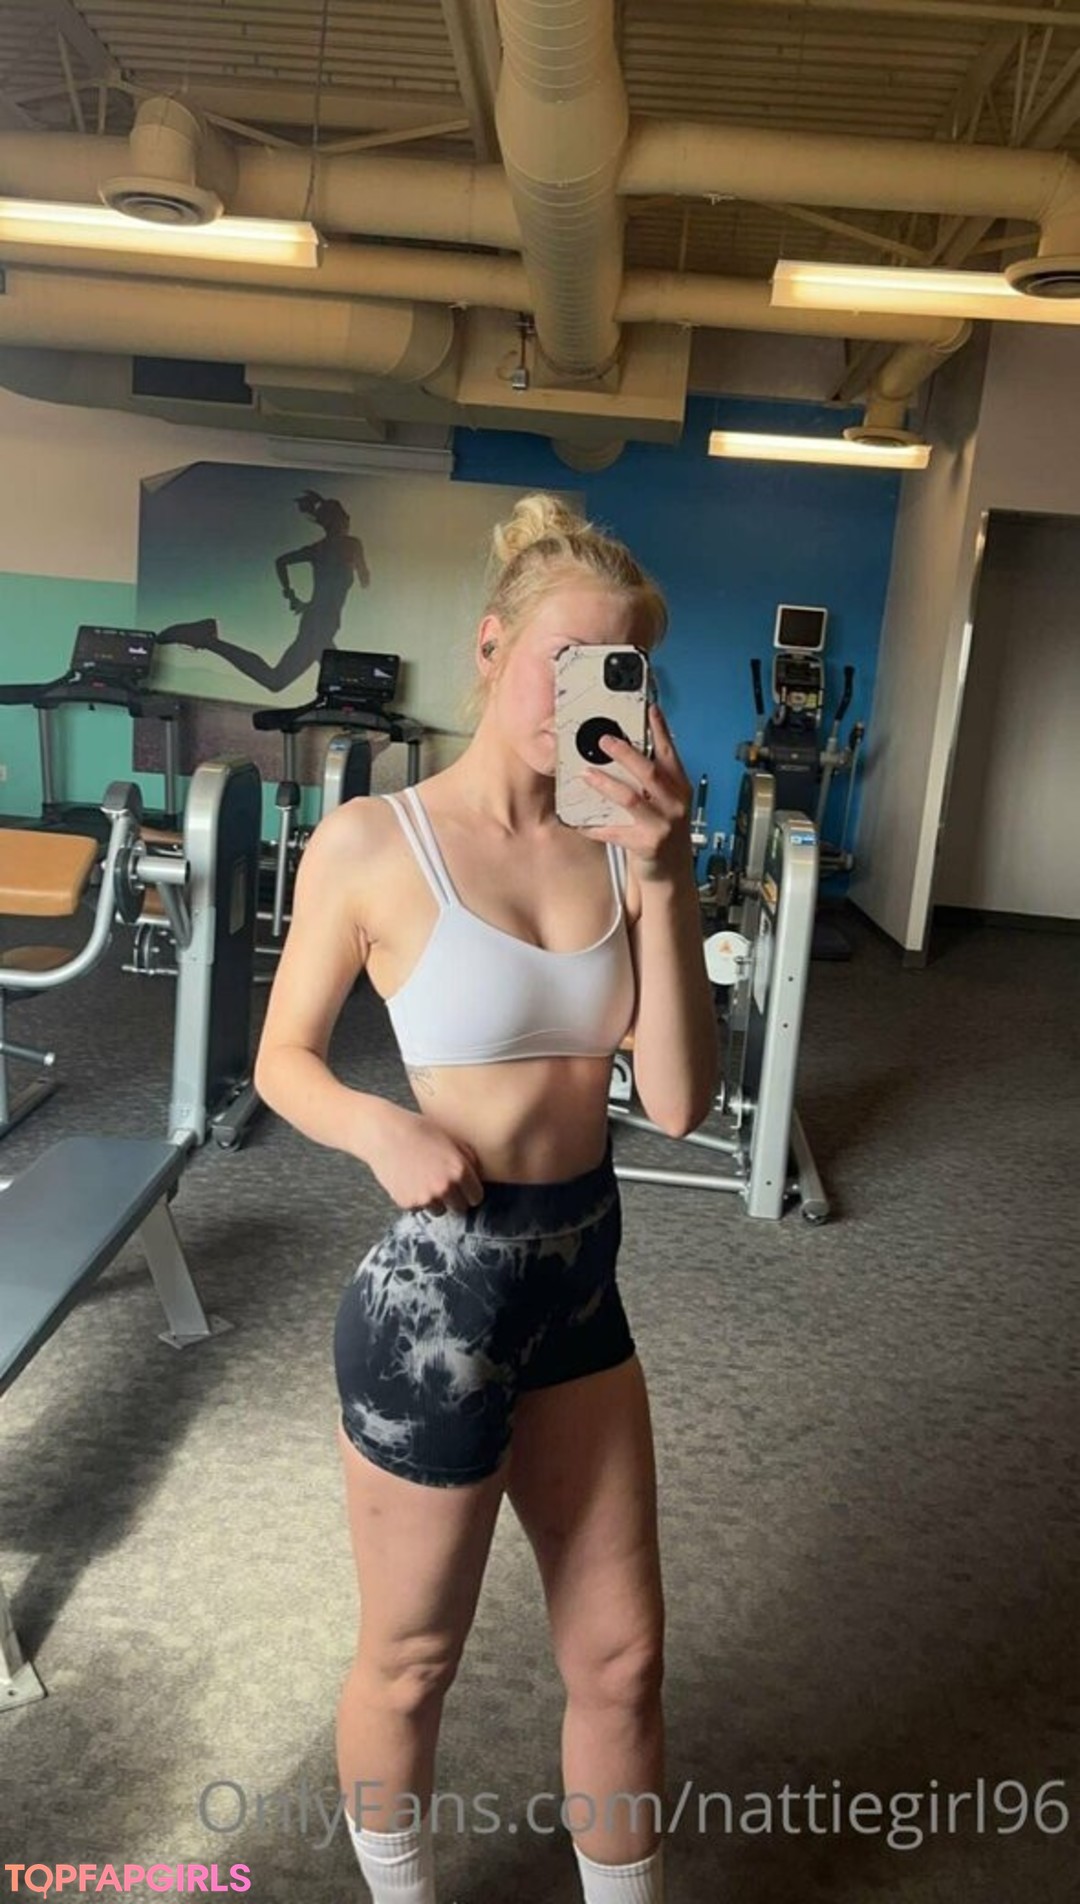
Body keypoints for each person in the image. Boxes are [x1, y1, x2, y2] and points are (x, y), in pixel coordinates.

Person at [254, 494, 718, 1904]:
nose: (582, 699)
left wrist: (669, 872)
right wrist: (378, 1128)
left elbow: (680, 1101)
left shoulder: (621, 842)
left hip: (583, 1292)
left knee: (625, 1659)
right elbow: (280, 1062)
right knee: (413, 1659)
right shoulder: (373, 842)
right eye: (559, 662)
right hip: (436, 1307)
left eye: (616, 672)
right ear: (490, 647)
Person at [156, 489, 370, 693]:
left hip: (318, 619)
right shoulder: (351, 544)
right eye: (346, 518)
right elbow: (362, 576)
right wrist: (359, 575)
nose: (348, 521)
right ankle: (207, 640)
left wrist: (293, 596)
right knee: (310, 680)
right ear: (340, 520)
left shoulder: (318, 549)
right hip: (321, 623)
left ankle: (208, 640)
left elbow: (282, 562)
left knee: (283, 679)